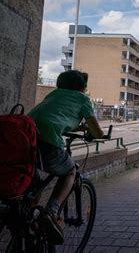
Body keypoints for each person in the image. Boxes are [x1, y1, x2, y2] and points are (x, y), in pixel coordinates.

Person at [29, 70, 104, 244]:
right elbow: (98, 131)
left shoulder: (53, 95)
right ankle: (51, 211)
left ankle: (23, 217)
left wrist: (75, 127)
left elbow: (54, 118)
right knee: (70, 171)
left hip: (24, 138)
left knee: (33, 181)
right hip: (47, 142)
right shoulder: (82, 99)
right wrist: (92, 132)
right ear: (83, 87)